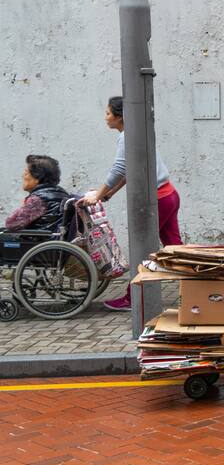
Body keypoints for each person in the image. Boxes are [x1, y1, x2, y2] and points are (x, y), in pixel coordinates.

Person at [79, 96, 182, 311]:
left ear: (120, 117)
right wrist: (109, 193)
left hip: (158, 200)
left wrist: (97, 196)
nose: (105, 117)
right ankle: (199, 287)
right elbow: (130, 170)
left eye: (108, 113)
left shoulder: (126, 137)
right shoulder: (138, 134)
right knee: (177, 250)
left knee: (142, 249)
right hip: (169, 195)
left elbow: (119, 168)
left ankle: (132, 298)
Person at [3, 155, 72, 232]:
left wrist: (25, 205)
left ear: (37, 178)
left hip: (37, 238)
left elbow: (11, 224)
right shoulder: (63, 194)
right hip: (53, 237)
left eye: (26, 173)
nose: (23, 176)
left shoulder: (38, 200)